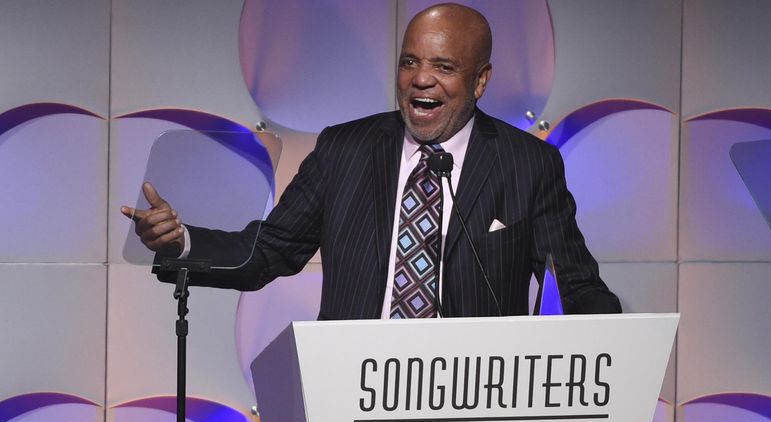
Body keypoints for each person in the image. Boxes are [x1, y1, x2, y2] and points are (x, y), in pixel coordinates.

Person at [121, 2, 621, 319]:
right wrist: (182, 242)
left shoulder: (528, 165)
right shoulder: (344, 150)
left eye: (443, 67)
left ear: (480, 81)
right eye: (410, 62)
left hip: (473, 408)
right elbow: (269, 252)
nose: (421, 79)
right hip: (354, 400)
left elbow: (574, 283)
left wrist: (619, 346)